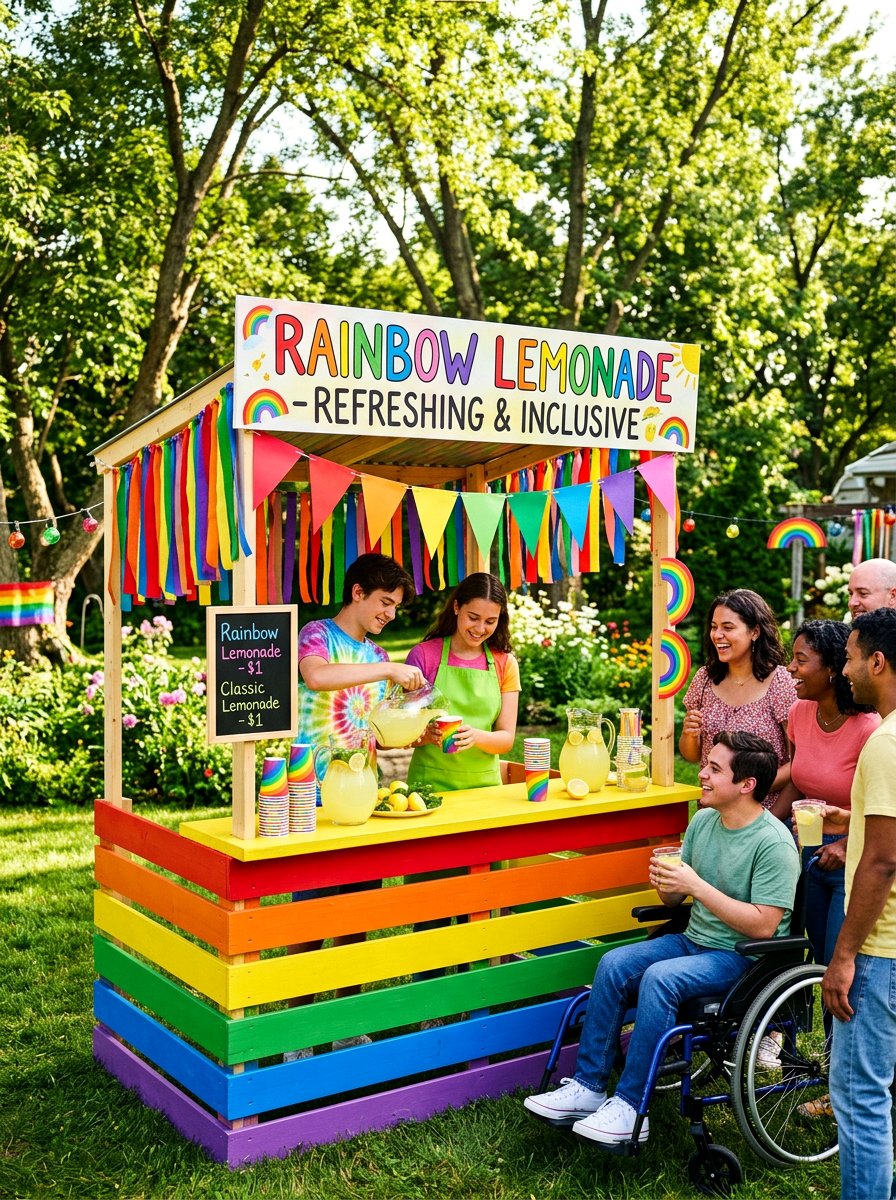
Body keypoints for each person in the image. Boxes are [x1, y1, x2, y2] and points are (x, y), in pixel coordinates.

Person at [524, 731, 799, 1148]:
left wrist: (698, 886)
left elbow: (763, 926)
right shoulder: (705, 821)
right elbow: (675, 897)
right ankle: (589, 1086)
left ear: (747, 785)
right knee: (614, 964)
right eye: (706, 764)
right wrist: (668, 884)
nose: (702, 774)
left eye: (714, 769)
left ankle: (632, 1106)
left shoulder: (774, 843)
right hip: (694, 940)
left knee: (660, 978)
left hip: (743, 958)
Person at [286, 552, 419, 1060]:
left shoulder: (377, 654)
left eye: (396, 607)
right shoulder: (318, 634)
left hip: (361, 793)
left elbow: (374, 727)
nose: (389, 613)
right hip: (310, 793)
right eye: (384, 602)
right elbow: (316, 678)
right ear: (358, 592)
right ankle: (298, 1029)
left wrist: (415, 727)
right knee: (310, 915)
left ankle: (343, 1021)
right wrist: (388, 666)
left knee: (357, 909)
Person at [822, 608, 896, 1200]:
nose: (844, 670)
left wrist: (844, 954)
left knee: (860, 1097)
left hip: (881, 949)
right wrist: (860, 818)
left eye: (849, 657)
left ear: (877, 661)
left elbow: (882, 860)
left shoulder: (885, 742)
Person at [771, 621, 880, 967]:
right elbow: (798, 780)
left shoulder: (869, 729)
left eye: (801, 660)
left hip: (850, 857)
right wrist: (765, 825)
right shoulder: (799, 713)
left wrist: (845, 845)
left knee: (838, 958)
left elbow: (879, 806)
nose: (790, 668)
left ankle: (844, 1023)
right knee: (818, 955)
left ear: (833, 669)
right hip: (807, 850)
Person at [679, 588, 797, 810]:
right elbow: (691, 755)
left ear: (754, 632)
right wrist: (689, 734)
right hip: (713, 813)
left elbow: (797, 762)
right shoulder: (705, 678)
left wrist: (745, 790)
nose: (717, 635)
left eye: (728, 627)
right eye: (714, 627)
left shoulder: (780, 681)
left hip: (762, 813)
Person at [405, 572, 520, 791]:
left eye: (490, 621)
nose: (479, 629)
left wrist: (476, 736)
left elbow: (506, 739)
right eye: (473, 617)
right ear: (457, 607)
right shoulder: (424, 656)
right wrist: (426, 736)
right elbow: (399, 734)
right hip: (427, 787)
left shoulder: (506, 664)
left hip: (485, 788)